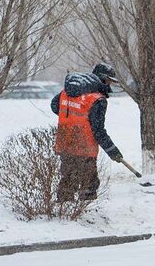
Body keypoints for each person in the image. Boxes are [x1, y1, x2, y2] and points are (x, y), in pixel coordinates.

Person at [51, 63, 124, 202]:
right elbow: (98, 130)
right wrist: (113, 151)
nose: (110, 84)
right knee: (89, 184)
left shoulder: (67, 91)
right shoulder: (97, 99)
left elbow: (55, 106)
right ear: (103, 79)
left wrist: (71, 120)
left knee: (67, 179)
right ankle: (87, 213)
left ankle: (64, 210)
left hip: (65, 141)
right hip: (85, 146)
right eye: (109, 81)